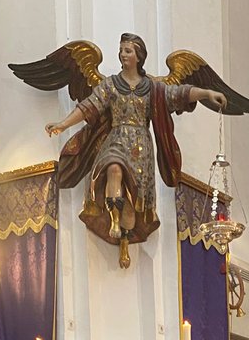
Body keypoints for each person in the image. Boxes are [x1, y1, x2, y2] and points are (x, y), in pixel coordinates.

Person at [45, 33, 226, 245]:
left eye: (128, 51)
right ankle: (113, 221)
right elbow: (88, 106)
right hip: (116, 138)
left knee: (133, 195)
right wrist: (62, 124)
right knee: (113, 168)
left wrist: (206, 93)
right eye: (121, 50)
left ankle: (126, 220)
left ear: (139, 56)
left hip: (141, 146)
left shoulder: (152, 88)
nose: (123, 55)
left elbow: (180, 93)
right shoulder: (111, 85)